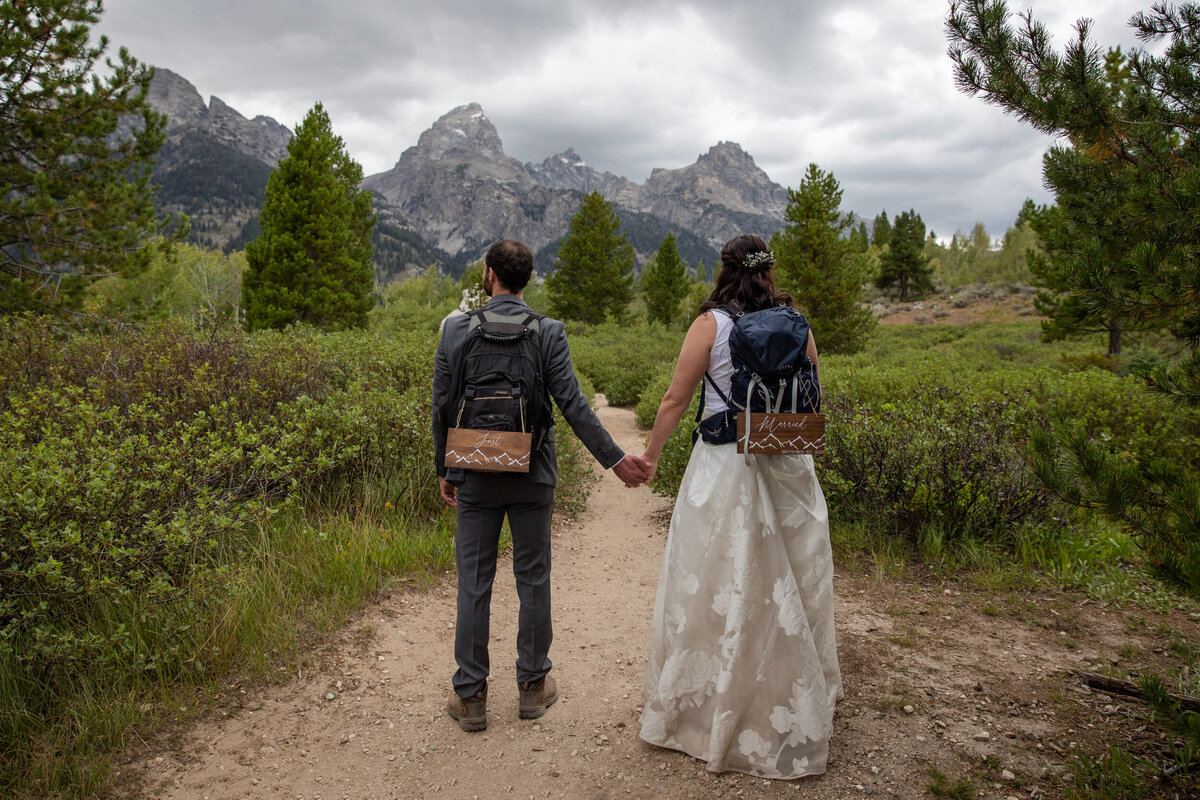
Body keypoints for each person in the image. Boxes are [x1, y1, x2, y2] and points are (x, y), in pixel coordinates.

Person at [637, 233, 842, 778]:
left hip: (726, 461)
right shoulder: (797, 323)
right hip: (786, 457)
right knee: (790, 580)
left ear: (722, 270)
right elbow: (814, 387)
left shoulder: (711, 325)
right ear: (769, 271)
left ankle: (710, 706)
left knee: (718, 577)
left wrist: (651, 456)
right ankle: (794, 690)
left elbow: (677, 398)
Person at [432, 239, 650, 732]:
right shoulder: (547, 332)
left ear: (489, 275)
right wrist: (615, 461)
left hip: (474, 471)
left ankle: (470, 697)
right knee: (532, 577)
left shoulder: (454, 331)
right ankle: (532, 687)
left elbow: (442, 408)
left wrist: (446, 469)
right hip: (532, 474)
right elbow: (573, 404)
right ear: (527, 279)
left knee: (474, 581)